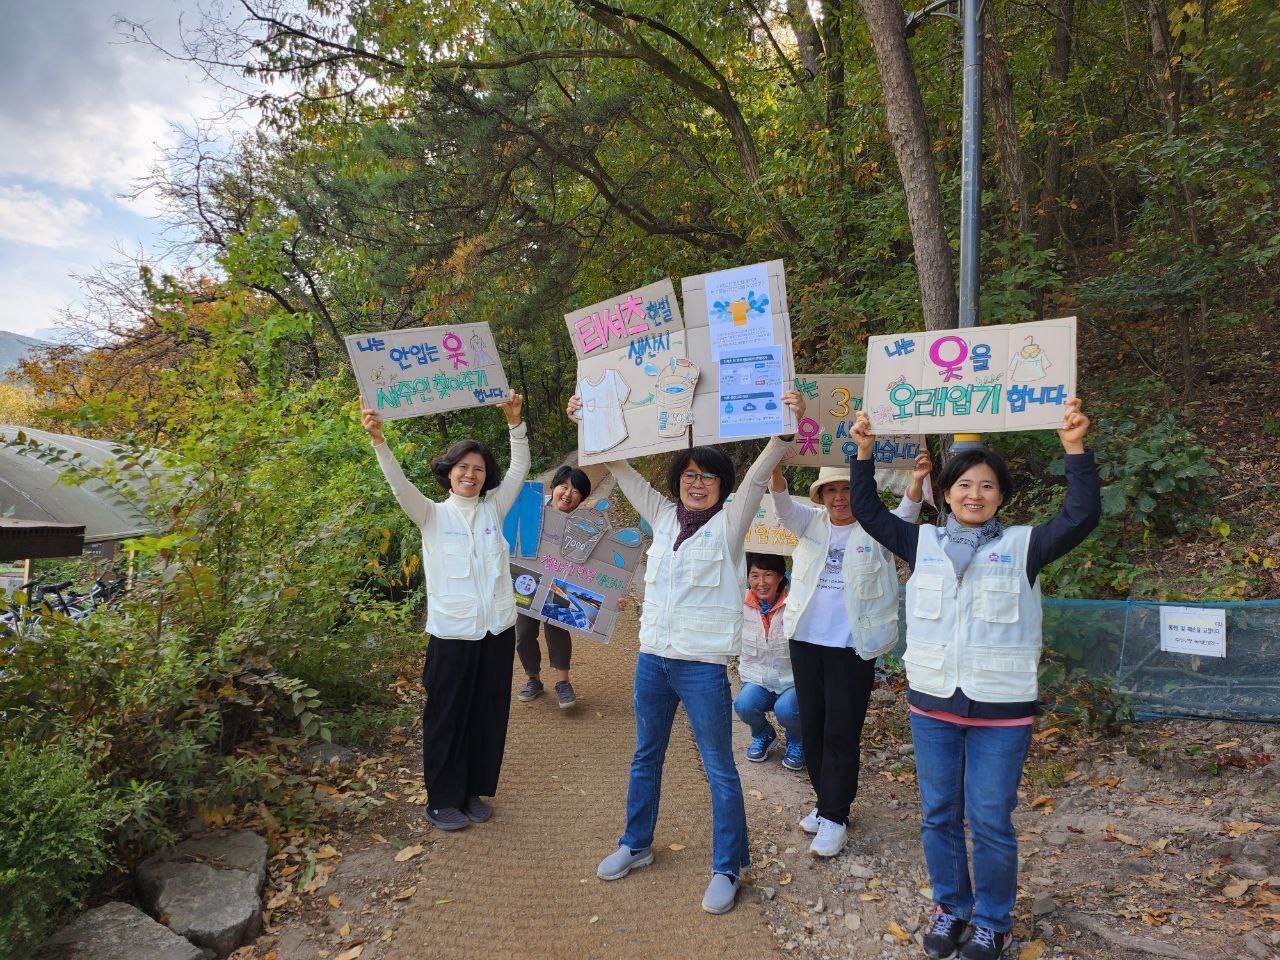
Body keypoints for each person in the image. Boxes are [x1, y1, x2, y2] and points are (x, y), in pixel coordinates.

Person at [848, 399, 1099, 960]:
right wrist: (863, 453)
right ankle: (951, 908)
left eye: (986, 486)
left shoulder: (1024, 546)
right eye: (964, 485)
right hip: (934, 704)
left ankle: (992, 920)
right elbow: (866, 510)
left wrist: (1075, 449)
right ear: (948, 492)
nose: (974, 495)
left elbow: (1080, 515)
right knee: (938, 814)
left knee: (988, 818)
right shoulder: (923, 543)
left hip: (1000, 712)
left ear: (1001, 496)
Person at [567, 390, 806, 916]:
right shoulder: (663, 516)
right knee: (645, 756)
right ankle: (636, 843)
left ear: (721, 487)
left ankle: (728, 867)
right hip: (652, 659)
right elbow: (621, 469)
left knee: (720, 767)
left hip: (701, 667)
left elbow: (756, 477)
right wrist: (591, 420)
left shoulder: (729, 522)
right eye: (689, 476)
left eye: (708, 477)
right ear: (678, 482)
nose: (697, 484)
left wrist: (785, 431)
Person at [362, 394, 528, 832]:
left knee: (486, 714)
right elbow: (399, 485)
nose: (470, 475)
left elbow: (519, 470)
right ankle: (441, 799)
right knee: (447, 716)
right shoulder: (431, 516)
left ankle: (471, 791)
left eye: (477, 469)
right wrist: (379, 441)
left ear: (484, 476)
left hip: (495, 632)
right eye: (462, 468)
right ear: (449, 473)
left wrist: (515, 425)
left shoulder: (494, 509)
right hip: (453, 635)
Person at [769, 453, 930, 858]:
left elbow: (907, 514)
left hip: (852, 648)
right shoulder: (810, 522)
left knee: (842, 731)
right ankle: (827, 806)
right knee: (814, 727)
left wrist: (917, 481)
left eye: (846, 488)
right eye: (831, 490)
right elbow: (783, 504)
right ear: (821, 495)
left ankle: (836, 818)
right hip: (805, 641)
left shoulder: (876, 527)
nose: (839, 497)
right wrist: (775, 468)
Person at [515, 465, 593, 708]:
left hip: (560, 584)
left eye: (576, 491)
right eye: (564, 486)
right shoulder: (533, 511)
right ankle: (533, 680)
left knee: (558, 627)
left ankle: (562, 682)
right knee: (524, 632)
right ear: (554, 487)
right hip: (525, 581)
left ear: (582, 498)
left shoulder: (584, 525)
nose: (568, 494)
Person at [734, 552, 803, 771]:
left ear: (781, 576)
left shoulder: (796, 604)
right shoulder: (739, 602)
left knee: (786, 710)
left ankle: (797, 740)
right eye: (754, 576)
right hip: (758, 678)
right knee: (743, 705)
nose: (761, 583)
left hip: (792, 681)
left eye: (768, 575)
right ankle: (764, 734)